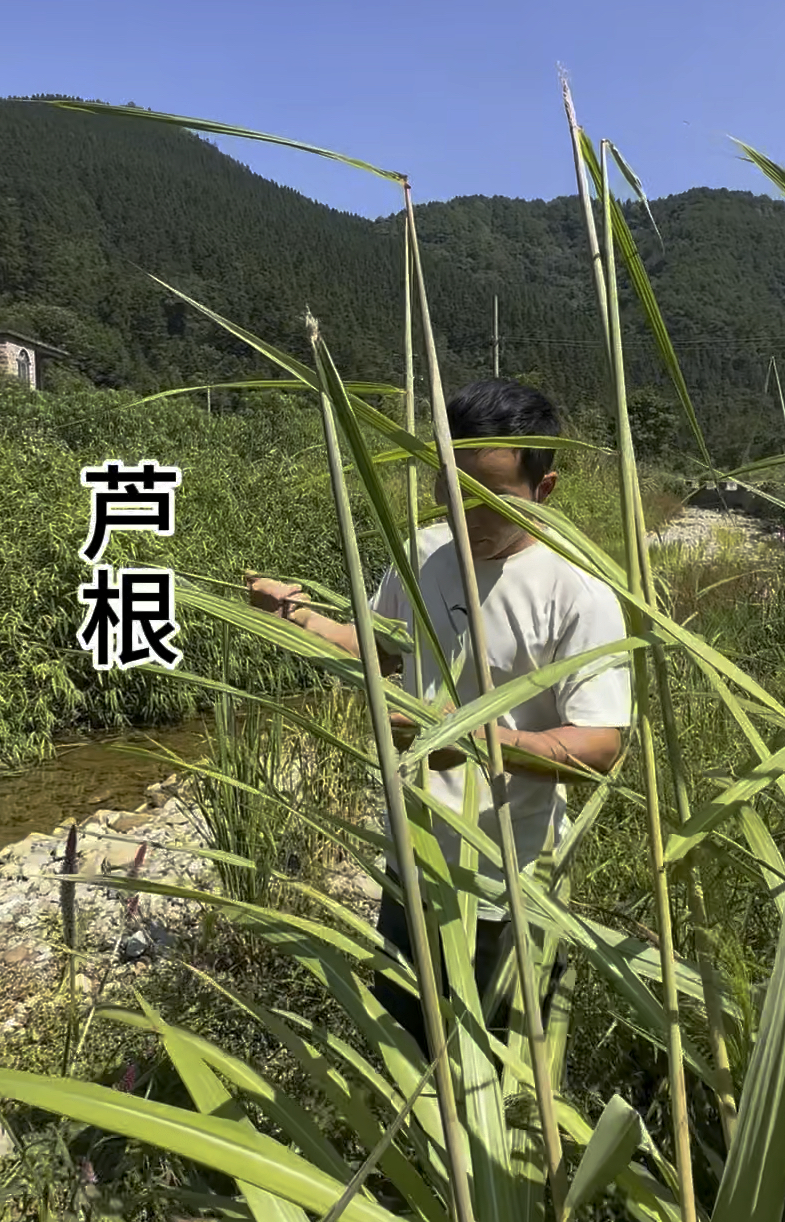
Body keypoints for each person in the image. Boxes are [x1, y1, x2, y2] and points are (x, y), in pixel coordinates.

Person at [246, 379, 632, 1052]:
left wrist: (483, 744)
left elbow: (601, 745)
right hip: (411, 858)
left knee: (500, 1068)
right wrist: (292, 615)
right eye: (447, 491)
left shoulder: (579, 594)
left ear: (546, 491)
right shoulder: (424, 554)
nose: (464, 517)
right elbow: (379, 648)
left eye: (488, 500)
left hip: (505, 883)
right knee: (406, 1044)